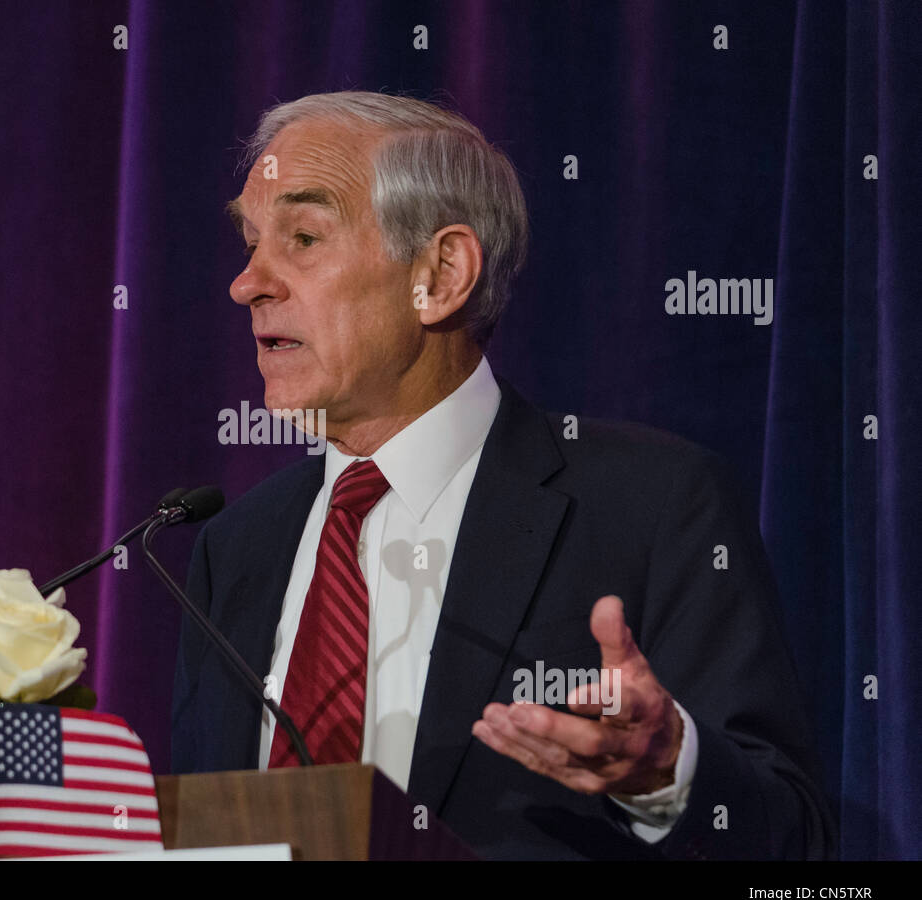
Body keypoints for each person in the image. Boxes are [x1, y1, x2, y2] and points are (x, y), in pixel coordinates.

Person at [170, 91, 835, 859]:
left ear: (443, 272)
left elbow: (800, 853)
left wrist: (666, 776)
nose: (247, 283)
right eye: (251, 243)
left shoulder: (653, 506)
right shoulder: (233, 549)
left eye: (304, 237)